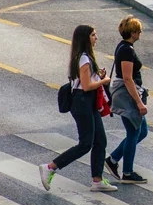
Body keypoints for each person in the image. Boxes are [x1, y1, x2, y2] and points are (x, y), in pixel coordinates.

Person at [39, 25, 116, 192]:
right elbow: (87, 86)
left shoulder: (84, 57)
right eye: (94, 35)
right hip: (83, 102)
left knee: (100, 140)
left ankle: (97, 180)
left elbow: (85, 81)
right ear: (86, 38)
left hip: (88, 101)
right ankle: (50, 167)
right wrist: (104, 81)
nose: (96, 38)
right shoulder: (83, 59)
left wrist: (98, 76)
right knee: (85, 144)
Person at [105, 16, 149, 184]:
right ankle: (128, 173)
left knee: (141, 131)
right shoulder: (126, 50)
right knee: (133, 132)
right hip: (128, 95)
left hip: (129, 94)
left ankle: (113, 159)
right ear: (132, 32)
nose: (140, 33)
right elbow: (128, 79)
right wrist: (139, 102)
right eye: (139, 30)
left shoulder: (125, 47)